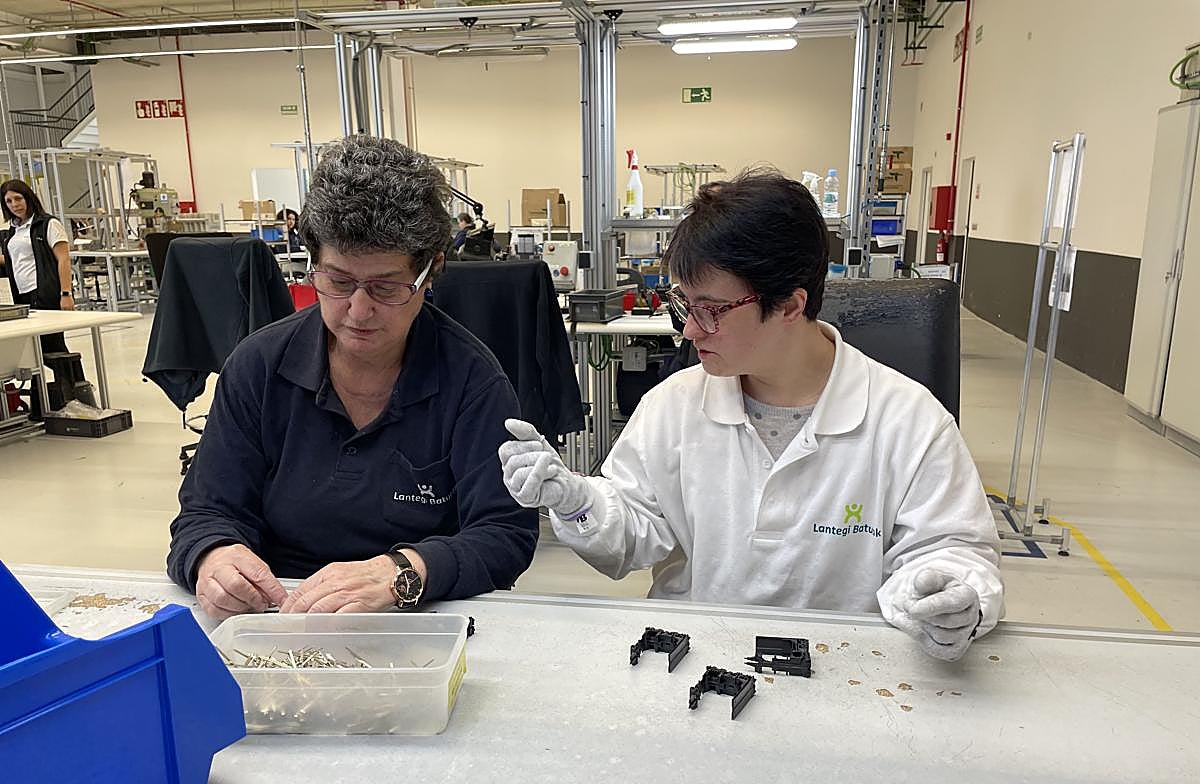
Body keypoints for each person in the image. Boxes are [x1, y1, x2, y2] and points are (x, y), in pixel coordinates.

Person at [498, 170, 1003, 662]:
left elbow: (953, 551)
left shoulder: (908, 420)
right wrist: (575, 500)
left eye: (712, 310)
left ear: (790, 305)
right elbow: (632, 534)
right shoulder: (674, 406)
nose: (689, 331)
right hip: (697, 660)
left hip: (847, 670)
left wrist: (949, 598)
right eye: (684, 304)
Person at [168, 135, 539, 619]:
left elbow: (506, 534)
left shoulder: (472, 381)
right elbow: (204, 513)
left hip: (416, 615)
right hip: (279, 615)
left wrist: (405, 572)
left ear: (430, 272)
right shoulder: (258, 367)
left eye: (386, 287)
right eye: (338, 281)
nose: (358, 311)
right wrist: (214, 557)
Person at [0, 179, 74, 356]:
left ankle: (71, 374)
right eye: (8, 201)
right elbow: (14, 261)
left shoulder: (48, 224)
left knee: (52, 345)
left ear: (28, 198)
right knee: (33, 347)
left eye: (18, 198)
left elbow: (64, 259)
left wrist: (66, 294)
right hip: (21, 294)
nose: (14, 205)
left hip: (44, 293)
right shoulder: (13, 230)